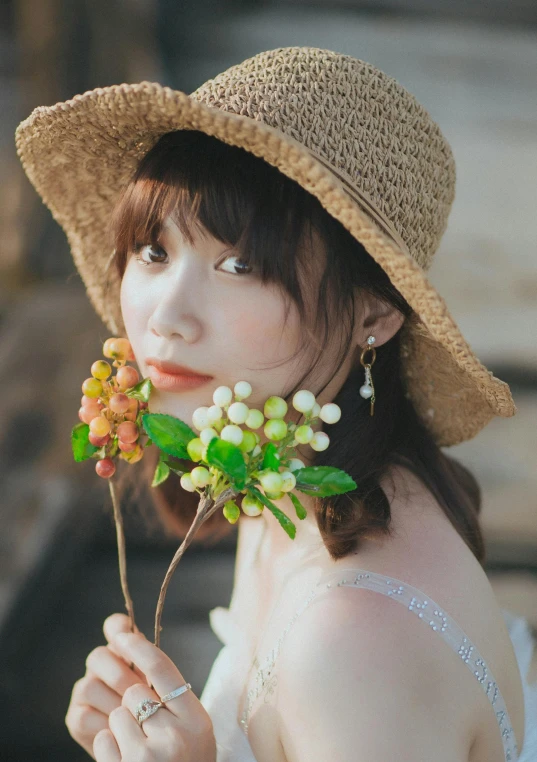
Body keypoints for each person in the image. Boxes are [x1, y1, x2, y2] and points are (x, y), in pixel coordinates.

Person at [15, 46, 537, 762]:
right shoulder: (287, 489)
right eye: (152, 249)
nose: (166, 317)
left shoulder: (354, 639)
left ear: (374, 317)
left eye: (241, 265)